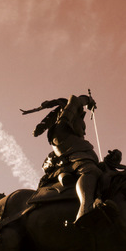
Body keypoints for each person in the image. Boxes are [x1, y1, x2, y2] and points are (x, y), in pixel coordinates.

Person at [21, 94, 100, 223]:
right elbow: (75, 100)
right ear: (74, 120)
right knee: (89, 170)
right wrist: (88, 100)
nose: (85, 132)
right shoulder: (62, 129)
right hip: (76, 166)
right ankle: (86, 207)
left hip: (69, 166)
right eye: (83, 127)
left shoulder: (73, 141)